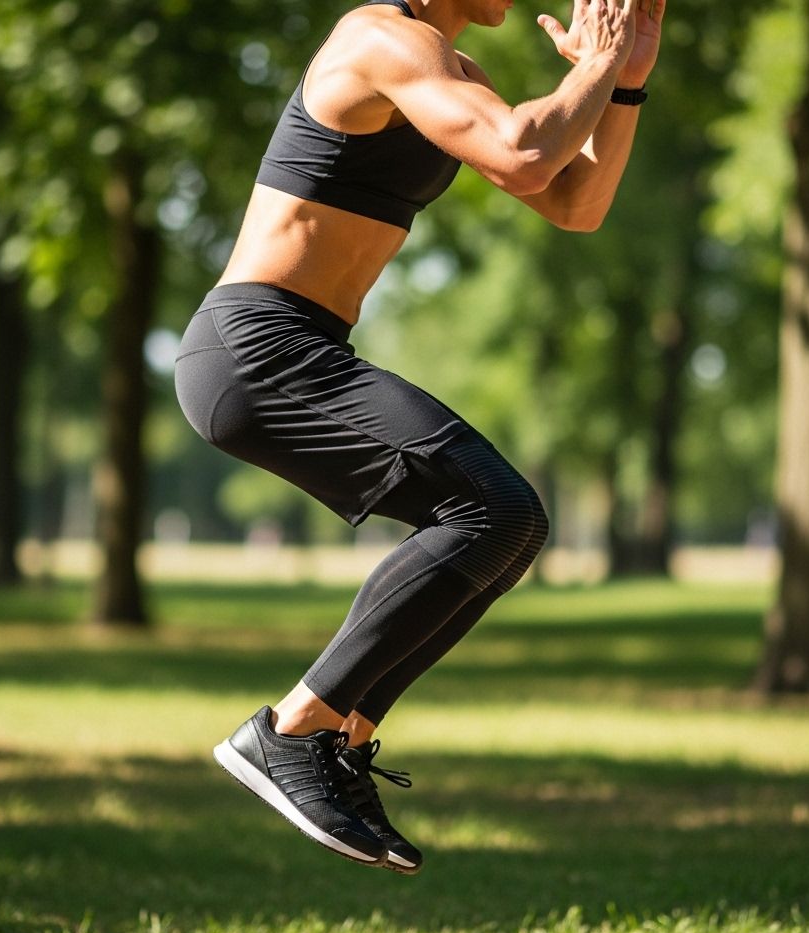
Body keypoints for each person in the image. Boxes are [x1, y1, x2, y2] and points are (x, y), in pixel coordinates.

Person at [175, 0, 665, 873]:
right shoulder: (379, 39)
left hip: (302, 348)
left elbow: (572, 200)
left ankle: (341, 740)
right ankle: (290, 732)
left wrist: (623, 79)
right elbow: (522, 148)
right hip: (256, 347)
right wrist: (595, 64)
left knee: (510, 529)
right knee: (493, 506)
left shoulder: (454, 73)